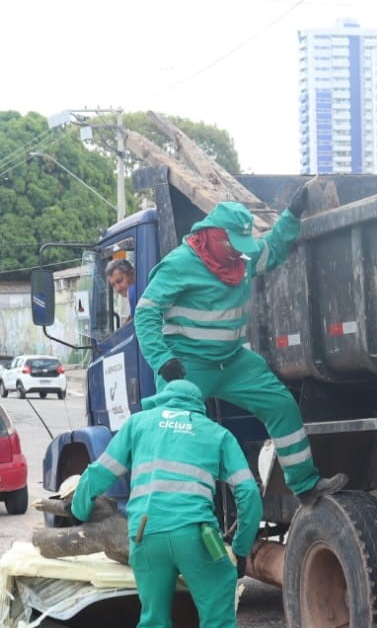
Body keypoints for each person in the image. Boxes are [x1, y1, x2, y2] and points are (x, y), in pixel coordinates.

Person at [69, 377, 263, 628]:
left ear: (163, 399)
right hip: (198, 536)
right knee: (216, 618)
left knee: (153, 615)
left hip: (144, 535)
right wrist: (241, 549)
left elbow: (100, 471)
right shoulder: (216, 433)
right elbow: (248, 493)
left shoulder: (139, 424)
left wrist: (80, 509)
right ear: (197, 405)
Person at [133, 185, 344, 505]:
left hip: (231, 361)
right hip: (188, 364)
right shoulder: (178, 264)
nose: (238, 252)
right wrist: (162, 359)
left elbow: (272, 248)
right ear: (214, 235)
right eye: (233, 244)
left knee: (281, 405)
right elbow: (146, 313)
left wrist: (292, 213)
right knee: (175, 429)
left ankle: (304, 484)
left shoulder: (239, 259)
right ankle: (164, 503)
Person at [105, 258, 135, 325]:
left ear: (132, 274)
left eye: (120, 281)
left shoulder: (133, 293)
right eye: (113, 285)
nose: (118, 289)